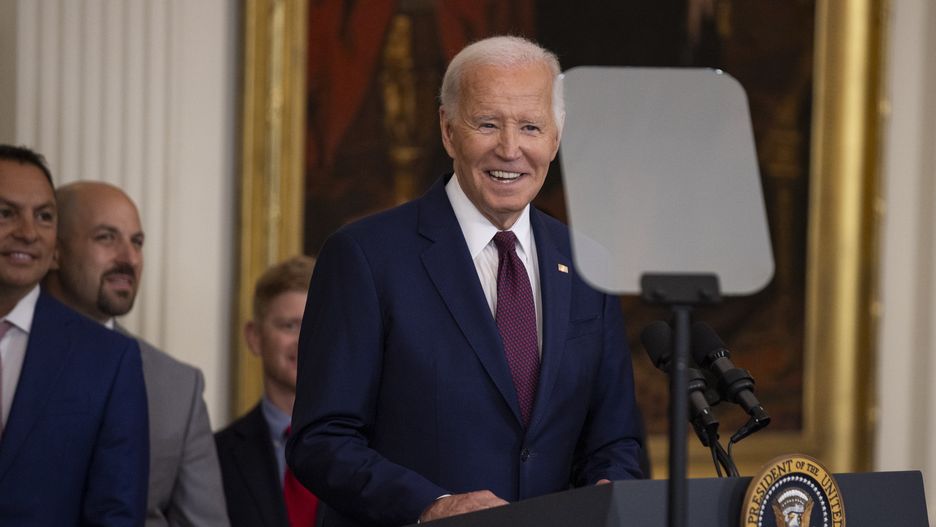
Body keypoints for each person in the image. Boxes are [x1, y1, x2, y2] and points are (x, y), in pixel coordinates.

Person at [286, 36, 643, 527]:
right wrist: (430, 506)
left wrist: (610, 488)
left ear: (555, 139)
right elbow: (320, 439)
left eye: (531, 127)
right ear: (449, 130)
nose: (510, 148)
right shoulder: (365, 257)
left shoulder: (586, 264)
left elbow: (616, 438)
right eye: (488, 124)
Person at [42, 181, 230, 527]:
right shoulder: (11, 349)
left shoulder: (178, 385)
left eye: (137, 242)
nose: (129, 258)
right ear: (55, 250)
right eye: (106, 237)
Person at [0, 145, 149, 525]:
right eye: (6, 213)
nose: (28, 232)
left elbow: (115, 513)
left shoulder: (107, 360)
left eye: (45, 217)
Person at [215, 256, 318, 527]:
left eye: (314, 326)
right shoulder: (216, 454)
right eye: (289, 326)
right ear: (255, 337)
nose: (304, 340)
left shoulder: (369, 447)